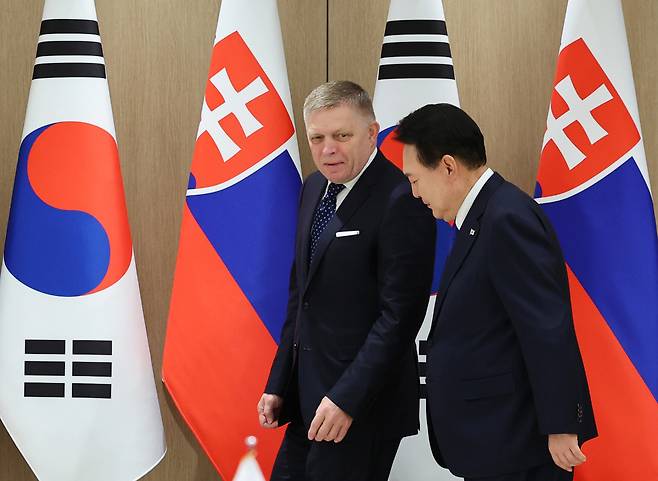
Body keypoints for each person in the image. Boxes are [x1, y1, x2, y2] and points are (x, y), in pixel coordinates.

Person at [396, 103, 597, 481]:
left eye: (415, 178)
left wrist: (561, 425)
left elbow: (545, 327)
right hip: (493, 441)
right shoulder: (480, 218)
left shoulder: (507, 218)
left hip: (517, 444)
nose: (414, 192)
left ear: (448, 166)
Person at [257, 81, 436, 481]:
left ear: (372, 133)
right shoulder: (313, 187)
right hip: (307, 401)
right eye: (316, 138)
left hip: (360, 407)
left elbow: (400, 317)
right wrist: (279, 383)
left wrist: (347, 399)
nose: (328, 149)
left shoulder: (401, 198)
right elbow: (300, 296)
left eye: (342, 135)